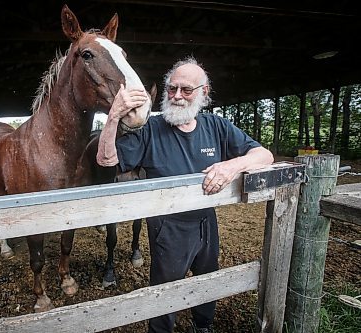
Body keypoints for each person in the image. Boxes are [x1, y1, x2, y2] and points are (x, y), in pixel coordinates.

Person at [97, 56, 274, 333]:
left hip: (207, 221)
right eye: (171, 88)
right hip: (168, 226)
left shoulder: (216, 126)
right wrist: (113, 116)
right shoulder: (151, 129)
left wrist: (232, 165)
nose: (176, 96)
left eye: (186, 90)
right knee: (165, 290)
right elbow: (108, 162)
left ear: (203, 93)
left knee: (207, 278)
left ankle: (203, 326)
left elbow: (264, 154)